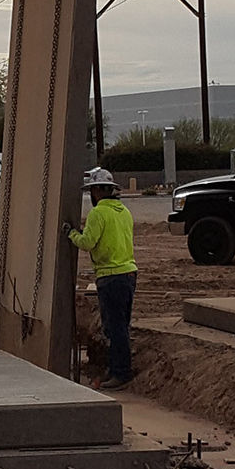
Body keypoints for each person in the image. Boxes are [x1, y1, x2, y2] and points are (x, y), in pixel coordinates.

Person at [70, 166, 137, 388]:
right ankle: (116, 368)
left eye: (92, 192)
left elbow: (87, 242)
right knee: (120, 326)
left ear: (99, 191)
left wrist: (70, 233)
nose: (91, 196)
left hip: (111, 276)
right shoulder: (123, 211)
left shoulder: (98, 213)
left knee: (114, 328)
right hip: (128, 274)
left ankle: (121, 373)